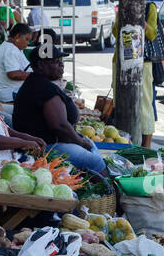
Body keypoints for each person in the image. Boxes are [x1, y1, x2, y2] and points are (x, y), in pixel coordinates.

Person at [13, 45, 106, 175]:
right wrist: (81, 143)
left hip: (48, 144)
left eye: (61, 61)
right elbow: (60, 126)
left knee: (90, 146)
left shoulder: (37, 83)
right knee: (95, 162)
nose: (61, 65)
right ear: (40, 65)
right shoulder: (43, 88)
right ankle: (109, 191)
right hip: (45, 148)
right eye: (56, 62)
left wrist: (82, 141)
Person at [112, 0, 159, 149]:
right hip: (120, 61)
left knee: (145, 103)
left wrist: (140, 21)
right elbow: (116, 32)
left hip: (143, 63)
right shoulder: (121, 8)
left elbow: (152, 34)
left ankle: (146, 146)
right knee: (119, 102)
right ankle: (124, 141)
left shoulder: (149, 8)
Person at [0, 22, 35, 113]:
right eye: (27, 39)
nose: (28, 43)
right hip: (9, 95)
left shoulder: (14, 48)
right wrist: (35, 75)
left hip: (12, 92)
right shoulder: (10, 50)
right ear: (17, 37)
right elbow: (13, 74)